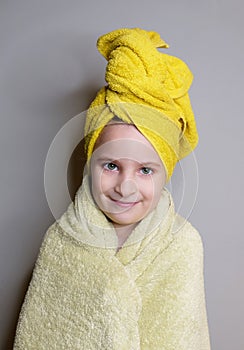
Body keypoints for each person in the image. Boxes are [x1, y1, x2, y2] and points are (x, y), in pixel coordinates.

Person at [14, 28, 211, 349]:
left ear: (166, 175)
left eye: (146, 170)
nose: (125, 186)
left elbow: (183, 336)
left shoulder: (182, 246)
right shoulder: (61, 239)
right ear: (89, 163)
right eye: (111, 166)